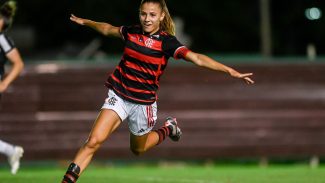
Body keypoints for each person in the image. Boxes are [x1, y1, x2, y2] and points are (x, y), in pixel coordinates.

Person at [62, 0, 254, 182]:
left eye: (152, 15)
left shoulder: (167, 42)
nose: (147, 18)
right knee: (93, 141)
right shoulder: (131, 32)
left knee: (138, 149)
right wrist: (87, 22)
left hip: (143, 104)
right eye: (143, 14)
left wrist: (229, 71)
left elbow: (197, 58)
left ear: (161, 16)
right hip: (119, 95)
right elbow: (106, 29)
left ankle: (169, 128)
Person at [0, 0, 24, 175]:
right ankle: (11, 150)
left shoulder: (2, 39)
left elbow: (18, 63)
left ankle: (11, 150)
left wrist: (4, 84)